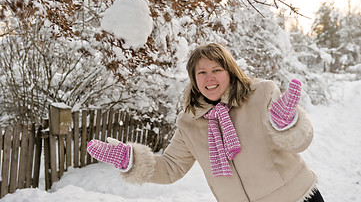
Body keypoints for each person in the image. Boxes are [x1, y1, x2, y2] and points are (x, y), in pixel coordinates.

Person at [87, 43, 324, 202]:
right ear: (194, 79)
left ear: (230, 71)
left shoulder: (261, 94)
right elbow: (171, 168)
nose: (209, 77)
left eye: (216, 69)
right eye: (201, 72)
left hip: (296, 197)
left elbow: (300, 144)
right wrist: (131, 160)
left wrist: (287, 125)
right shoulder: (190, 122)